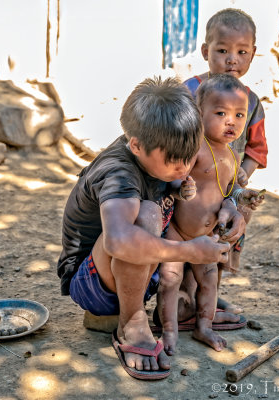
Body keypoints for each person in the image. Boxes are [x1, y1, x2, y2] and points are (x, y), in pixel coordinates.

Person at [57, 76, 246, 380]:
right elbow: (118, 241)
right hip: (92, 284)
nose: (184, 168)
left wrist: (230, 207)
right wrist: (189, 251)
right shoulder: (118, 171)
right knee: (147, 214)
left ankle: (186, 308)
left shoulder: (161, 146)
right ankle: (131, 322)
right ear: (135, 145)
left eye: (189, 158)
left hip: (142, 273)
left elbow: (200, 185)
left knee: (167, 208)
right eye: (174, 163)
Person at [156, 74, 264, 354]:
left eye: (239, 115)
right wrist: (182, 185)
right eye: (221, 113)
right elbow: (173, 176)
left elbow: (226, 192)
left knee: (210, 282)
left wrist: (238, 200)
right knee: (170, 280)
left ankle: (204, 326)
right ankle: (169, 331)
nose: (232, 122)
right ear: (198, 113)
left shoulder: (231, 156)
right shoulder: (194, 147)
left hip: (207, 235)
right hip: (179, 233)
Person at [183, 8, 268, 314]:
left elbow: (257, 148)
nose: (232, 59)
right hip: (191, 189)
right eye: (222, 50)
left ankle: (211, 293)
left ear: (252, 55)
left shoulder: (252, 102)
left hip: (230, 192)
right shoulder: (189, 91)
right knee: (186, 238)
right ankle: (183, 296)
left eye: (241, 52)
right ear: (206, 51)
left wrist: (243, 174)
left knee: (225, 237)